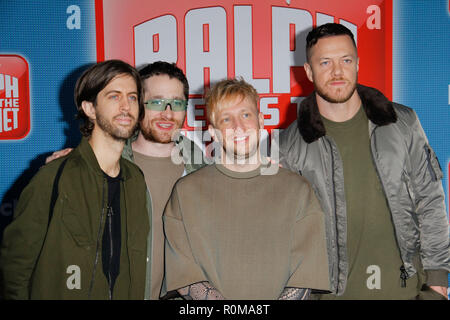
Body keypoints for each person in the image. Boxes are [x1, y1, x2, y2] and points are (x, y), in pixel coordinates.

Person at [279, 23, 450, 299]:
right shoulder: (290, 145)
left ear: (357, 63)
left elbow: (430, 201)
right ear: (309, 71)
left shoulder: (402, 122)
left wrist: (437, 279)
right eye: (325, 62)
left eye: (345, 60)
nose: (337, 72)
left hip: (406, 291)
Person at [45, 61, 206, 299]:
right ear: (138, 106)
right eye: (157, 102)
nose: (168, 113)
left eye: (177, 103)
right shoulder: (101, 163)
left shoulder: (200, 167)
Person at [160, 78, 330, 300]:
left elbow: (305, 276)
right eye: (226, 119)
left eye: (246, 115)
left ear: (260, 120)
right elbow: (185, 278)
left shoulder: (298, 190)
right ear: (212, 132)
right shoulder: (185, 193)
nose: (238, 127)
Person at [0, 60, 149, 299]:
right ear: (90, 109)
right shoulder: (54, 176)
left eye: (132, 97)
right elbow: (15, 267)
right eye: (114, 96)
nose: (126, 106)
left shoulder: (136, 180)